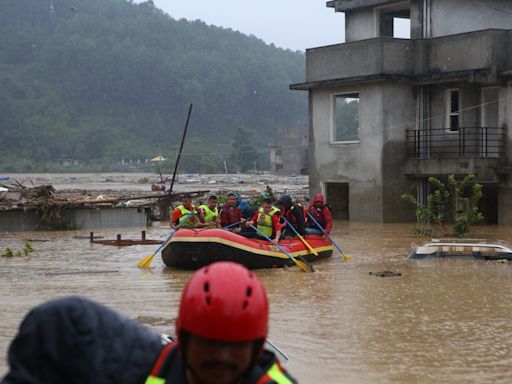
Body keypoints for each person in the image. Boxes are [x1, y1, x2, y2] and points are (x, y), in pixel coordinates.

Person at [2, 262, 297, 384]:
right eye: (208, 342)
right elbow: (61, 323)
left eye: (234, 346)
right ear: (183, 336)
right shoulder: (143, 364)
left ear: (258, 348)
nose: (221, 356)